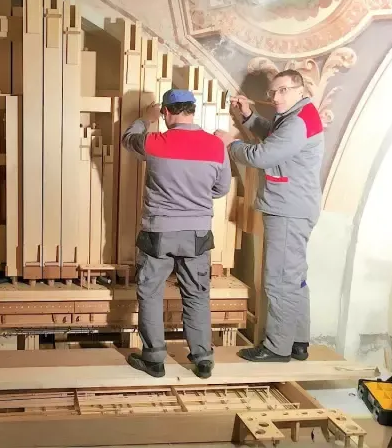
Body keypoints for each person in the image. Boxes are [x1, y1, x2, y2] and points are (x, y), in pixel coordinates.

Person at [121, 89, 231, 379]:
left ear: (167, 113)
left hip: (159, 231)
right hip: (197, 233)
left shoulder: (154, 141)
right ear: (192, 111)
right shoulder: (216, 146)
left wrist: (145, 120)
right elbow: (221, 189)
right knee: (196, 294)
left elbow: (128, 139)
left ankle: (154, 359)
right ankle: (203, 359)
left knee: (150, 292)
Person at [215, 69, 324, 363]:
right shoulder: (297, 115)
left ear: (301, 90)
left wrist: (230, 143)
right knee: (294, 278)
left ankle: (277, 348)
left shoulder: (297, 122)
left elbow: (262, 156)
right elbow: (276, 138)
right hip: (294, 207)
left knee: (279, 280)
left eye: (283, 90)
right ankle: (297, 342)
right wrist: (249, 117)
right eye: (273, 92)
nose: (276, 97)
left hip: (288, 209)